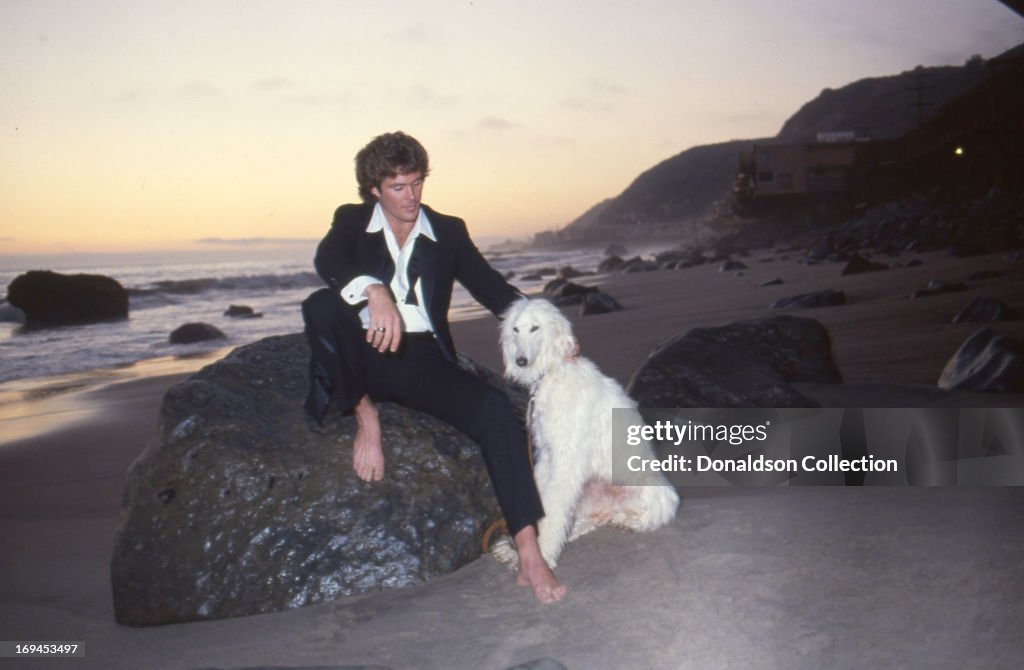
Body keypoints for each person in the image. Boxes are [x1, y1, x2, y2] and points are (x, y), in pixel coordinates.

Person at [301, 131, 567, 603]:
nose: (411, 197)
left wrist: (552, 327)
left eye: (416, 182)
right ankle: (366, 415)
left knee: (494, 412)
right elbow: (329, 260)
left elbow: (495, 291)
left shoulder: (448, 230)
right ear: (374, 191)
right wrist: (374, 290)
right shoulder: (351, 220)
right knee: (321, 306)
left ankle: (529, 551)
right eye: (398, 187)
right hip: (359, 349)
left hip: (419, 357)